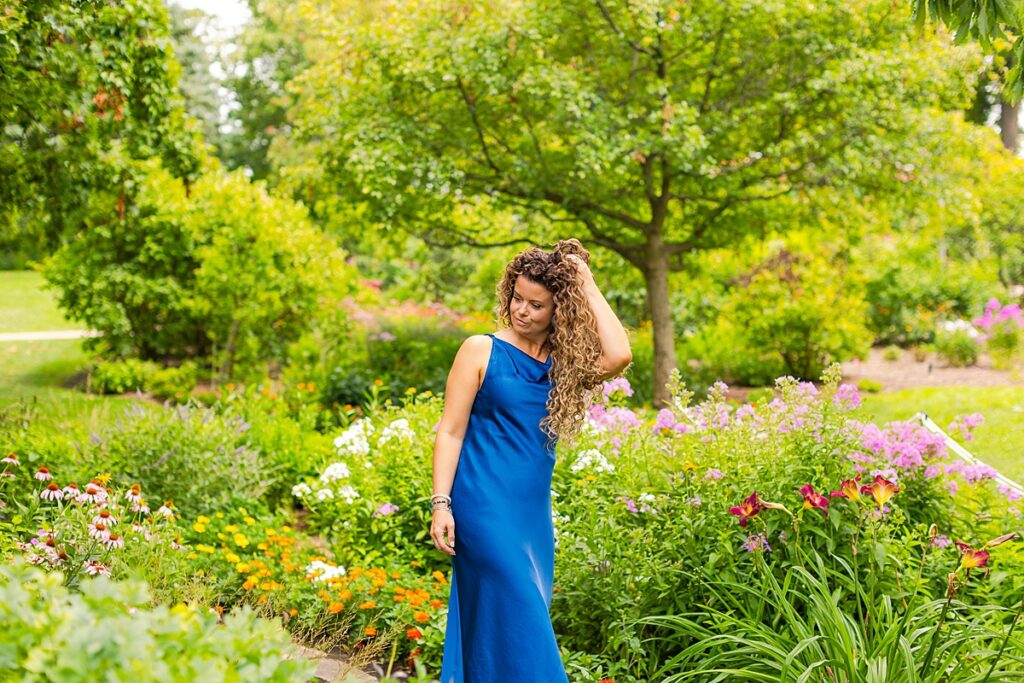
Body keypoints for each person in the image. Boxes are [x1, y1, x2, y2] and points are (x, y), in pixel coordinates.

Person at [431, 239, 632, 682]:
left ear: (560, 309)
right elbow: (450, 430)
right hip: (481, 505)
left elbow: (619, 355)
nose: (521, 310)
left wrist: (585, 282)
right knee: (523, 613)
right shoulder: (480, 350)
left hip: (531, 517)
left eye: (536, 304)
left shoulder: (564, 366)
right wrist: (441, 503)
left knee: (508, 624)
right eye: (517, 298)